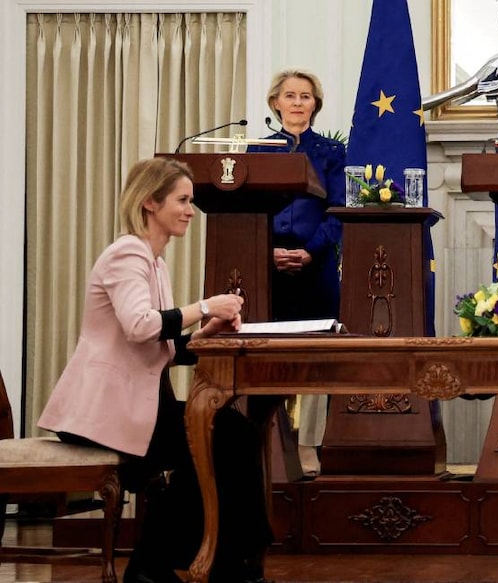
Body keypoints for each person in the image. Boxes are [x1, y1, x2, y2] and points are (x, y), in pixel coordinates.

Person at [37, 157, 273, 583]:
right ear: (150, 202)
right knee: (227, 438)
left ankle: (194, 562)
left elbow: (162, 345)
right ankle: (216, 564)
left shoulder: (155, 262)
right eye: (182, 200)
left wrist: (206, 331)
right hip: (103, 413)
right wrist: (204, 306)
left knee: (231, 435)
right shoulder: (127, 252)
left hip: (133, 407)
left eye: (190, 201)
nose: (189, 209)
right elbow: (140, 326)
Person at [249, 68, 346, 478]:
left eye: (305, 96)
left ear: (315, 105)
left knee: (316, 358)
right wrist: (267, 251)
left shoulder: (331, 153)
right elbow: (248, 211)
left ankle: (308, 445)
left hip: (316, 269)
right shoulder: (257, 150)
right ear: (276, 103)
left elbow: (339, 212)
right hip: (267, 271)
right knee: (269, 358)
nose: (297, 103)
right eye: (290, 96)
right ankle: (268, 442)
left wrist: (308, 253)